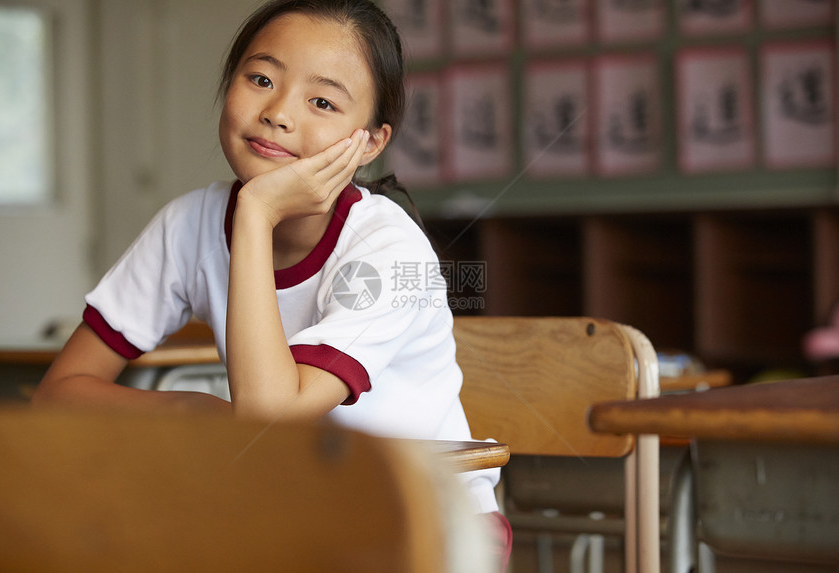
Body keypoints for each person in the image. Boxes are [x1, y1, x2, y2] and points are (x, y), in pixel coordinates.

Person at [33, 0, 510, 567]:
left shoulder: (387, 250)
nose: (278, 112)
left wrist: (256, 214)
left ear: (370, 143)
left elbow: (267, 419)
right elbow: (60, 394)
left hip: (425, 522)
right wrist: (190, 412)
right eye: (261, 78)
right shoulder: (188, 225)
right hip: (287, 514)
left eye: (322, 102)